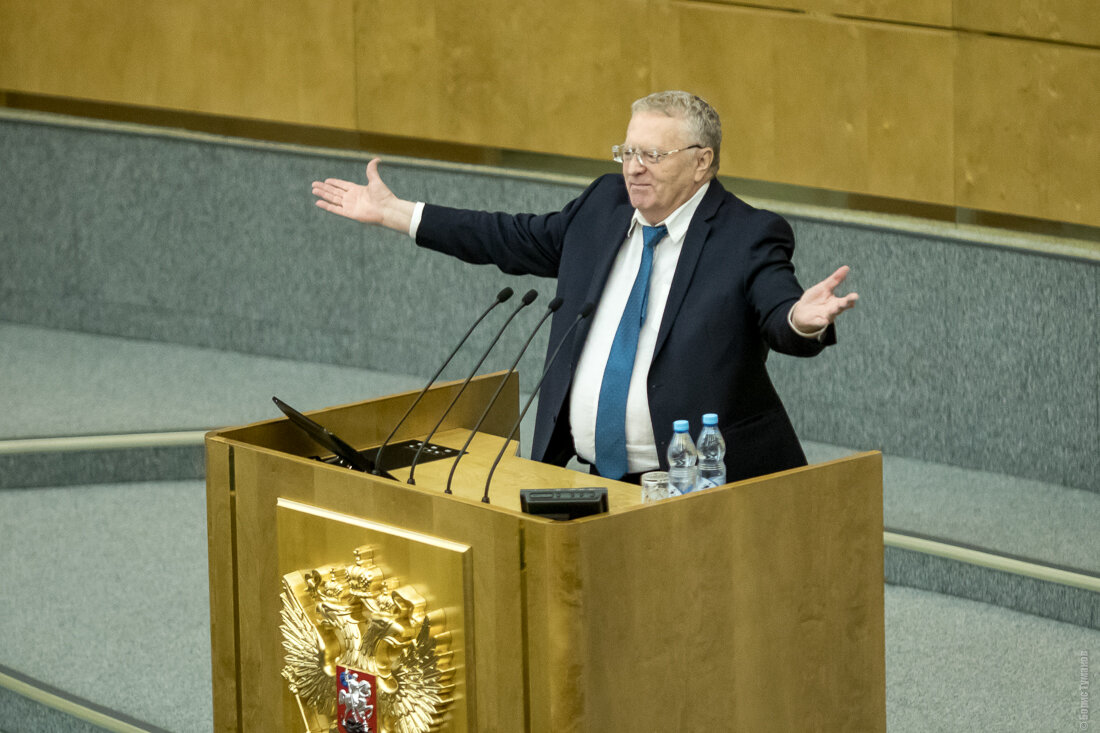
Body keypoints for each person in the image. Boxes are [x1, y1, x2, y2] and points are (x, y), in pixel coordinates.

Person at [312, 91, 858, 484]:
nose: (633, 169)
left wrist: (800, 320)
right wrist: (398, 213)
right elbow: (509, 237)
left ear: (702, 163)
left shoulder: (747, 234)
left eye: (652, 156)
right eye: (627, 153)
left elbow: (777, 312)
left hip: (700, 485)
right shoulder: (603, 206)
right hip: (591, 477)